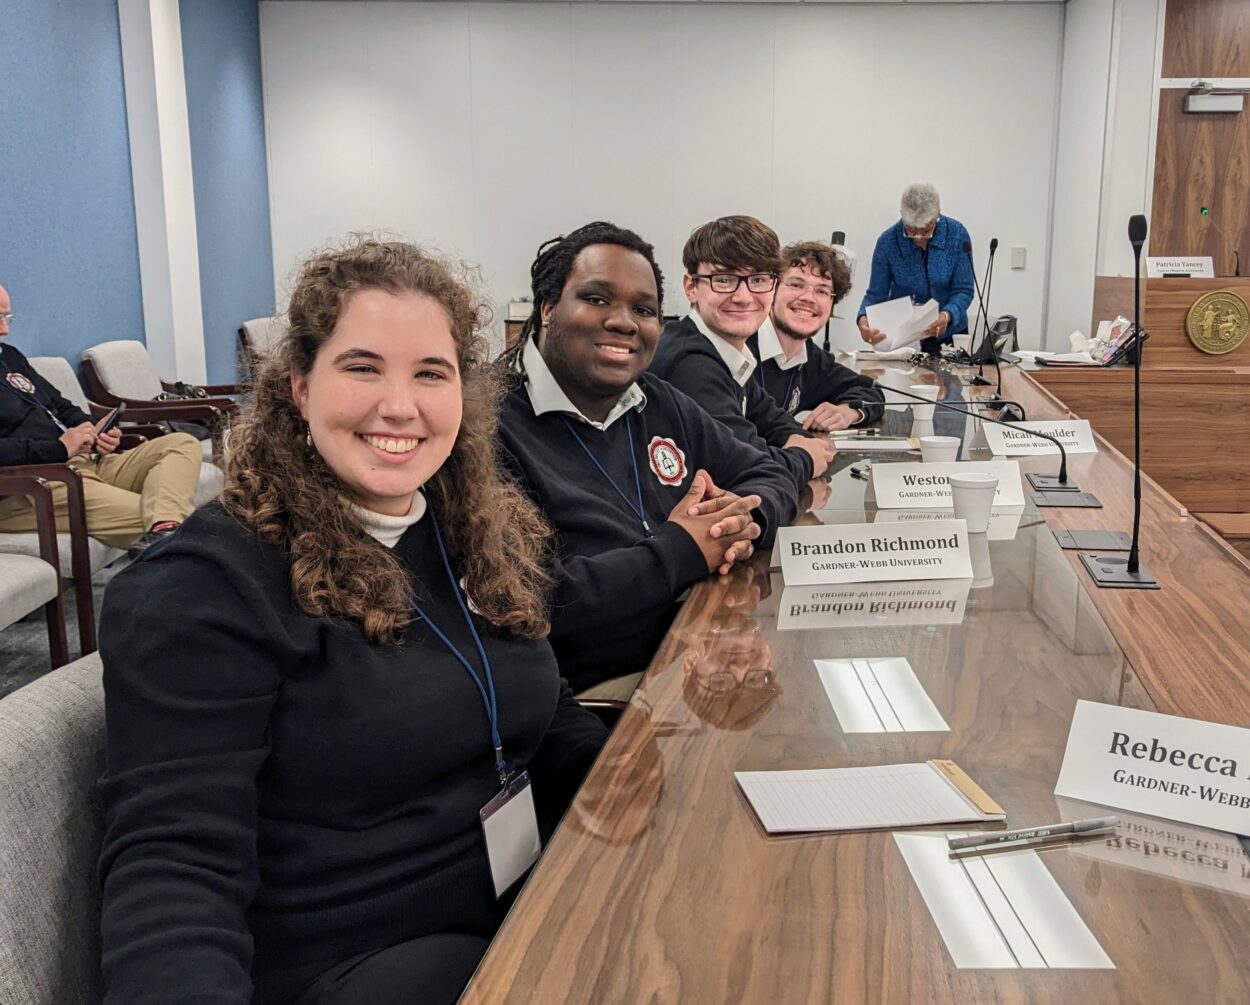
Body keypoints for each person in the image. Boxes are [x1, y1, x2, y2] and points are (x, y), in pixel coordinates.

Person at [97, 239, 607, 1005]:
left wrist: (646, 797)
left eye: (430, 373)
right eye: (362, 367)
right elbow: (175, 865)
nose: (398, 405)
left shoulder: (466, 529)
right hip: (352, 964)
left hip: (515, 915)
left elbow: (540, 706)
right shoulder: (205, 588)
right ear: (300, 387)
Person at [498, 221, 798, 700]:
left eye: (643, 309)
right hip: (594, 694)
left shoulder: (656, 400)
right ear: (548, 309)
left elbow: (767, 472)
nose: (624, 322)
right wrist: (681, 550)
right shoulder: (485, 425)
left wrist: (744, 521)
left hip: (692, 649)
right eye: (597, 299)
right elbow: (532, 601)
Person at [0, 283, 201, 551]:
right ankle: (166, 535)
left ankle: (164, 528)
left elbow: (60, 406)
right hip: (31, 486)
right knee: (153, 515)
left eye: (6, 317)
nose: (5, 329)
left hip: (84, 462)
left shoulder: (10, 356)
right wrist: (59, 447)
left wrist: (93, 430)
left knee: (181, 443)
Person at [648, 215, 835, 493]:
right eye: (724, 279)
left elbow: (769, 418)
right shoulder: (689, 363)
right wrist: (807, 458)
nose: (744, 297)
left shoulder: (726, 350)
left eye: (758, 279)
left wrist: (797, 437)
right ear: (691, 287)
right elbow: (741, 466)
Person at [747, 241, 885, 432]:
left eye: (822, 291)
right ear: (772, 289)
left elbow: (871, 392)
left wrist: (846, 412)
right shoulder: (739, 346)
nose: (808, 298)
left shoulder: (810, 358)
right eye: (796, 284)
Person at [857, 182, 975, 356]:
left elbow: (964, 290)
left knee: (951, 383)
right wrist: (863, 319)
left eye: (926, 230)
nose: (918, 238)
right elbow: (876, 293)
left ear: (937, 216)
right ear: (902, 216)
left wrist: (947, 315)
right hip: (904, 339)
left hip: (950, 335)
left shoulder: (957, 235)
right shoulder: (887, 242)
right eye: (911, 230)